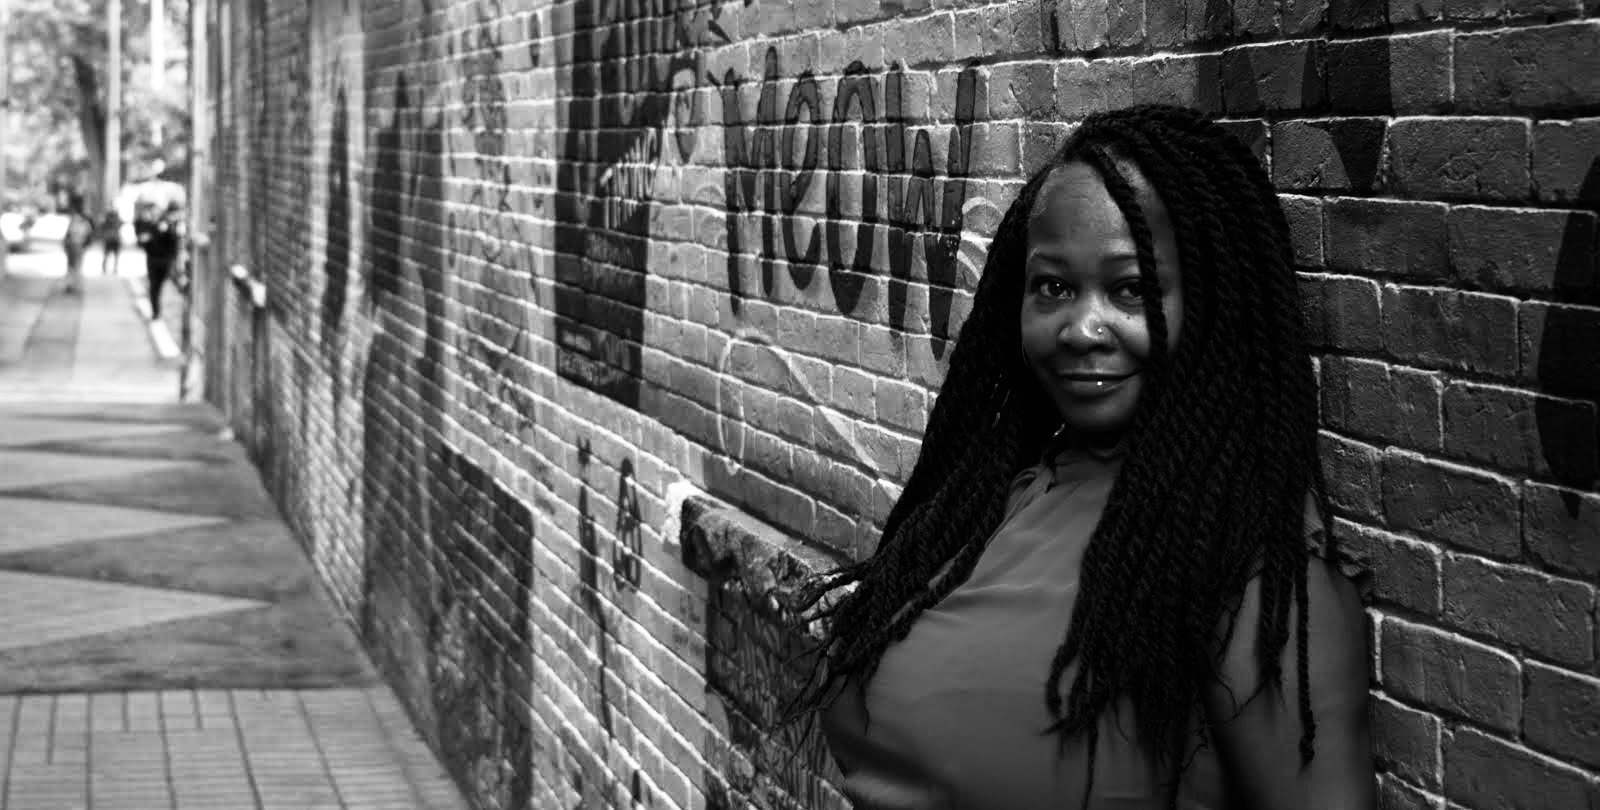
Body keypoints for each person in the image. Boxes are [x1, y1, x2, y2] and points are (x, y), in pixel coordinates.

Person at [783, 105, 1377, 809]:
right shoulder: (1001, 498)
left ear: (1213, 304)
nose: (1081, 329)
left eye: (1131, 289)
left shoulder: (1258, 574)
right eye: (1054, 287)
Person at [134, 201, 184, 320]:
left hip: (165, 260)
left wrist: (167, 230)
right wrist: (145, 240)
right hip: (153, 260)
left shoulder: (168, 224)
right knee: (154, 286)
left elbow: (174, 241)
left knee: (162, 285)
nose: (154, 213)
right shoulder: (148, 225)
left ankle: (162, 311)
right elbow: (141, 241)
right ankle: (156, 312)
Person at [60, 192, 96, 294]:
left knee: (74, 265)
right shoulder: (83, 218)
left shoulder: (79, 218)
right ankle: (73, 284)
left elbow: (71, 233)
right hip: (77, 244)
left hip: (76, 244)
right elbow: (89, 232)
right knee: (75, 265)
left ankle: (72, 284)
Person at [99, 209, 123, 276]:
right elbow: (101, 230)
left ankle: (114, 269)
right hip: (109, 240)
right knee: (107, 255)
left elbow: (121, 223)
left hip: (115, 240)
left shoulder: (116, 222)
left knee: (115, 256)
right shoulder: (106, 223)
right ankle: (104, 268)